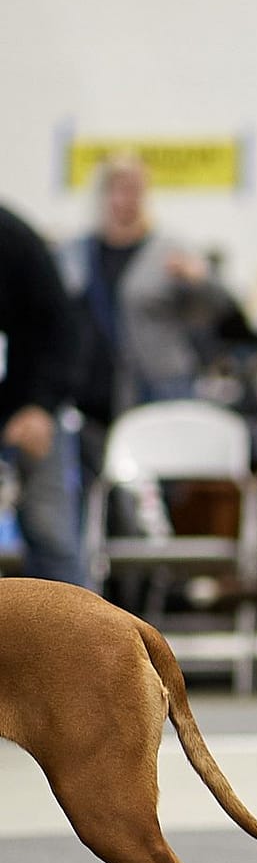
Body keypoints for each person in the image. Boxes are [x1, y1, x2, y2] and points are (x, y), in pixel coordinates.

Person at [63, 155, 235, 434]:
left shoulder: (168, 250)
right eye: (118, 188)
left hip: (160, 383)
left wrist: (200, 279)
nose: (125, 199)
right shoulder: (77, 253)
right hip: (95, 387)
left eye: (134, 189)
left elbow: (222, 307)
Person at [0, 203, 84, 586]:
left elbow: (59, 330)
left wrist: (39, 405)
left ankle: (76, 625)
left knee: (51, 534)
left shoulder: (12, 237)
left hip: (27, 405)